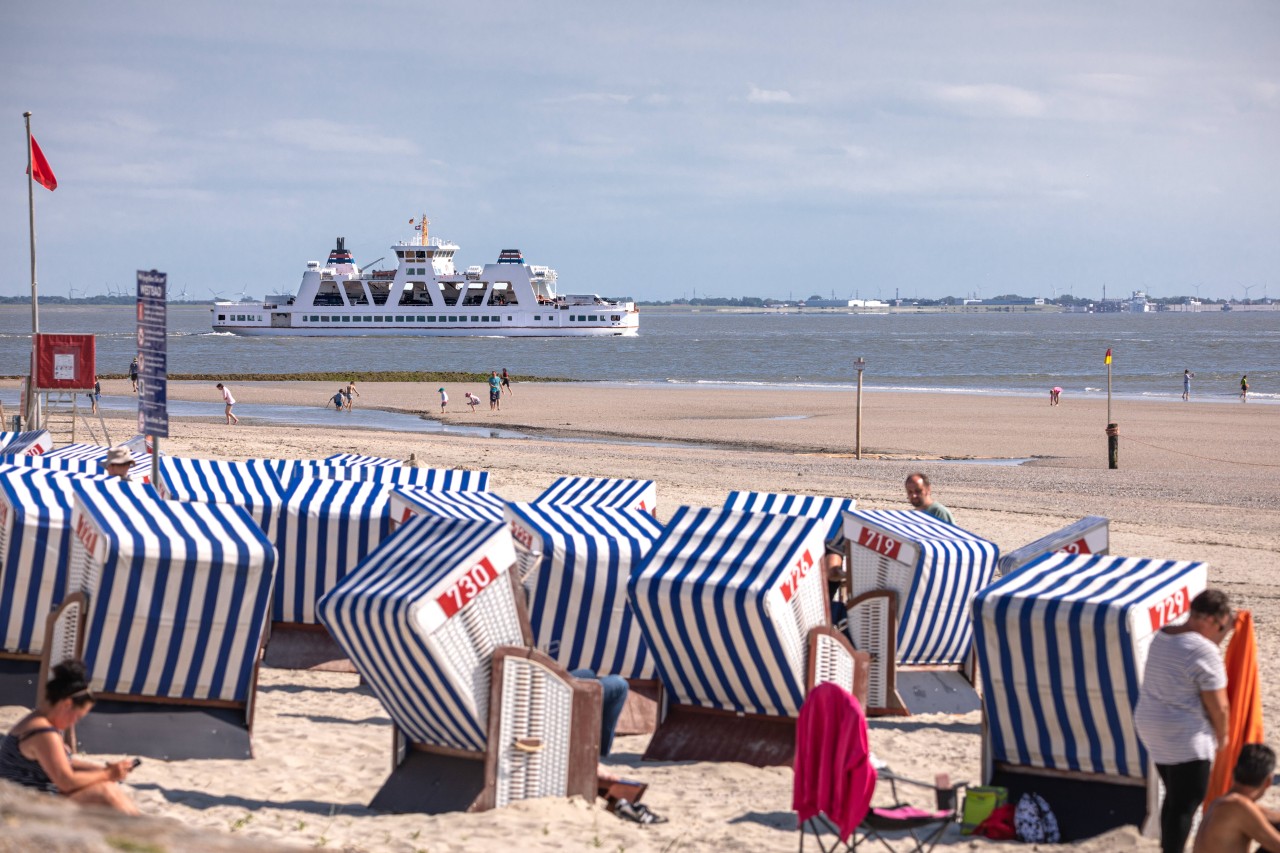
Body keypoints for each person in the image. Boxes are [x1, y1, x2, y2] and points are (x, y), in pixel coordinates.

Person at [1135, 588, 1232, 853]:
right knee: (1187, 803)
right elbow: (1219, 706)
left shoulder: (1163, 635)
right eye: (1222, 627)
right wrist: (1223, 737)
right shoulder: (1203, 649)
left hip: (1153, 728)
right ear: (1212, 620)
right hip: (1184, 734)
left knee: (1175, 798)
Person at [0, 660, 139, 814]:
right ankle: (145, 832)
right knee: (105, 792)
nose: (74, 723)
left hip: (27, 798)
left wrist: (101, 770)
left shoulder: (36, 721)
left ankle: (142, 828)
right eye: (77, 717)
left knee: (107, 787)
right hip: (25, 805)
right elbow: (66, 781)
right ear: (66, 705)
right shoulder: (43, 733)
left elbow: (61, 761)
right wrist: (108, 774)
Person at [1193, 743, 1280, 853]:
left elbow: (1271, 816)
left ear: (1233, 772)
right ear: (1268, 782)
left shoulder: (1220, 802)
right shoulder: (1239, 806)